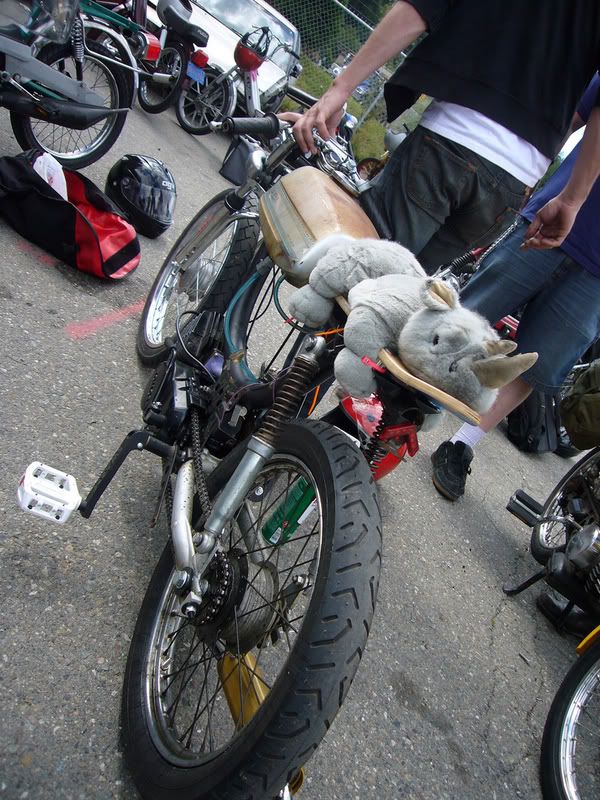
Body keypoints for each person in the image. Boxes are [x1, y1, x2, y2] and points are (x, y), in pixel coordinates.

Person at [292, 1, 600, 270]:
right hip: (514, 183)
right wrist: (572, 199)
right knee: (394, 295)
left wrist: (341, 88)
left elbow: (424, 6)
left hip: (452, 138)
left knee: (353, 272)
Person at [430, 73, 600, 502]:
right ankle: (407, 400)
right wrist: (525, 176)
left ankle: (462, 442)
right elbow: (568, 117)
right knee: (472, 313)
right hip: (556, 216)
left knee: (536, 362)